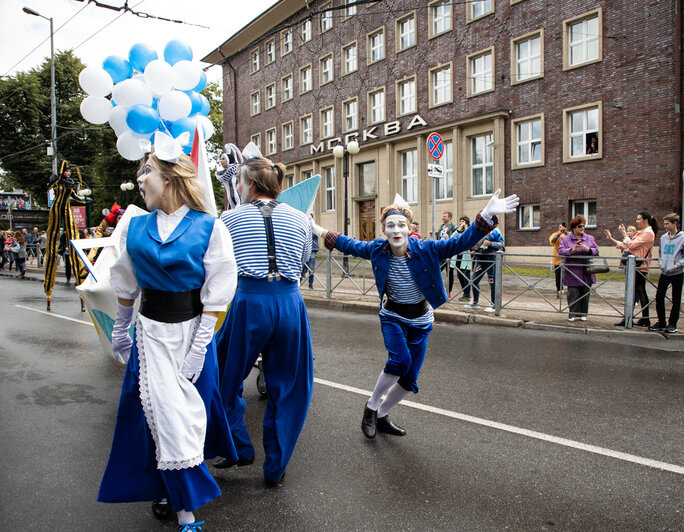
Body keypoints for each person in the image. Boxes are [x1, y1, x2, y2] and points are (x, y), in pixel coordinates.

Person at [97, 144, 239, 531]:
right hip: (150, 334)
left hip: (193, 332)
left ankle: (179, 485)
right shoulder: (134, 225)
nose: (141, 178)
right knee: (154, 416)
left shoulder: (210, 226)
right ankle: (178, 501)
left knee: (190, 414)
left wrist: (199, 348)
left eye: (148, 171)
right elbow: (126, 284)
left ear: (171, 178)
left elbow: (217, 292)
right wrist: (121, 330)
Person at [311, 190, 518, 439]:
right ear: (384, 232)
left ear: (409, 229)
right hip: (392, 317)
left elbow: (460, 243)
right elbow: (348, 244)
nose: (396, 230)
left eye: (401, 225)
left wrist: (486, 215)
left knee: (409, 379)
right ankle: (371, 406)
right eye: (390, 226)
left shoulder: (428, 249)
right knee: (400, 361)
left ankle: (383, 415)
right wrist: (314, 227)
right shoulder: (377, 249)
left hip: (421, 320)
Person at [213, 156, 314, 488]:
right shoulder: (300, 218)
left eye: (239, 183)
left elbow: (218, 266)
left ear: (249, 184)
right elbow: (303, 263)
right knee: (289, 387)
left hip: (248, 301)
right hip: (289, 302)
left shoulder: (228, 219)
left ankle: (239, 445)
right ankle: (276, 466)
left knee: (222, 376)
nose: (237, 189)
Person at [605, 212, 657, 327]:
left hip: (640, 265)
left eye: (638, 219)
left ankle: (642, 318)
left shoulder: (648, 233)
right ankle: (631, 317)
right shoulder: (642, 233)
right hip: (634, 265)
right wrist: (612, 238)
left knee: (639, 290)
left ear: (646, 220)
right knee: (633, 291)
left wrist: (624, 233)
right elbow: (627, 245)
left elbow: (632, 246)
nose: (636, 221)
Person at [649, 213, 684, 333]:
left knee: (676, 299)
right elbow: (660, 253)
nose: (665, 226)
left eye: (667, 224)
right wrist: (661, 263)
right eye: (664, 224)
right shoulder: (664, 238)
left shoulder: (683, 238)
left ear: (675, 223)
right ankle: (661, 321)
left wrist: (677, 265)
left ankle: (673, 323)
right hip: (665, 271)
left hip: (677, 272)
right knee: (659, 296)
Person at [558, 216, 600, 321]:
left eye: (583, 226)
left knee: (585, 292)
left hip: (587, 270)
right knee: (573, 293)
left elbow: (596, 251)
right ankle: (572, 314)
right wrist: (572, 250)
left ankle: (583, 314)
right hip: (572, 270)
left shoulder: (590, 238)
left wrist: (588, 249)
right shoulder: (565, 239)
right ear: (574, 227)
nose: (582, 228)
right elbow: (561, 251)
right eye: (579, 226)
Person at [466, 227, 504, 313]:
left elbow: (501, 244)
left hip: (491, 259)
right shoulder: (478, 230)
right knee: (474, 280)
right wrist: (474, 250)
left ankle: (494, 304)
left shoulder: (495, 231)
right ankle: (475, 302)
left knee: (492, 281)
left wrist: (491, 243)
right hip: (480, 259)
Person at [451, 216, 472, 302]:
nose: (461, 223)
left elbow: (468, 239)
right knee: (460, 276)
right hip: (458, 258)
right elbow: (452, 237)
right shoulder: (458, 231)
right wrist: (459, 229)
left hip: (466, 258)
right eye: (460, 221)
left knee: (466, 276)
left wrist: (466, 229)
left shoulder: (469, 230)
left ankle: (467, 294)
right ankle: (465, 293)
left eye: (463, 221)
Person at [548, 222, 568, 294]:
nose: (561, 229)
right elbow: (552, 241)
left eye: (562, 227)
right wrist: (559, 233)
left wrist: (565, 232)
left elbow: (571, 239)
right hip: (557, 258)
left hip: (567, 258)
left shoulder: (568, 233)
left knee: (567, 274)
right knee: (558, 274)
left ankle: (569, 288)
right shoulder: (555, 234)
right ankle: (559, 289)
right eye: (560, 227)